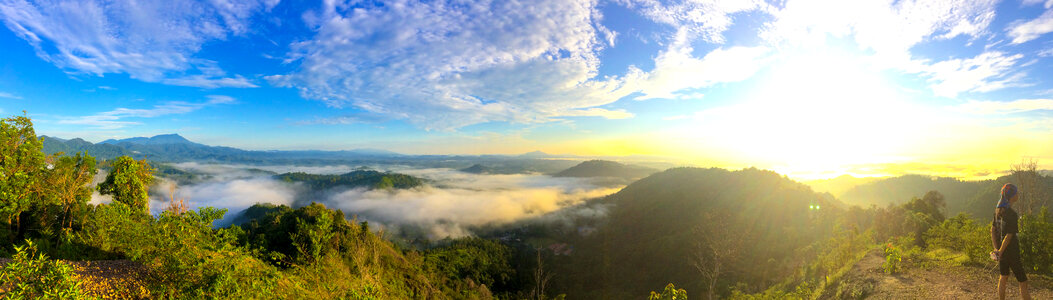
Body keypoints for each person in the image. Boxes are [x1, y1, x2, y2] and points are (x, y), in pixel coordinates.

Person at [991, 183, 1030, 300]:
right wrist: (1001, 251)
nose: (1018, 194)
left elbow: (992, 230)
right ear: (1011, 196)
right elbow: (1009, 235)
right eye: (1016, 193)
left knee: (1003, 277)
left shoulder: (998, 211)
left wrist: (996, 250)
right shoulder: (1012, 214)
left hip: (1001, 253)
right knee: (1023, 281)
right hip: (1011, 251)